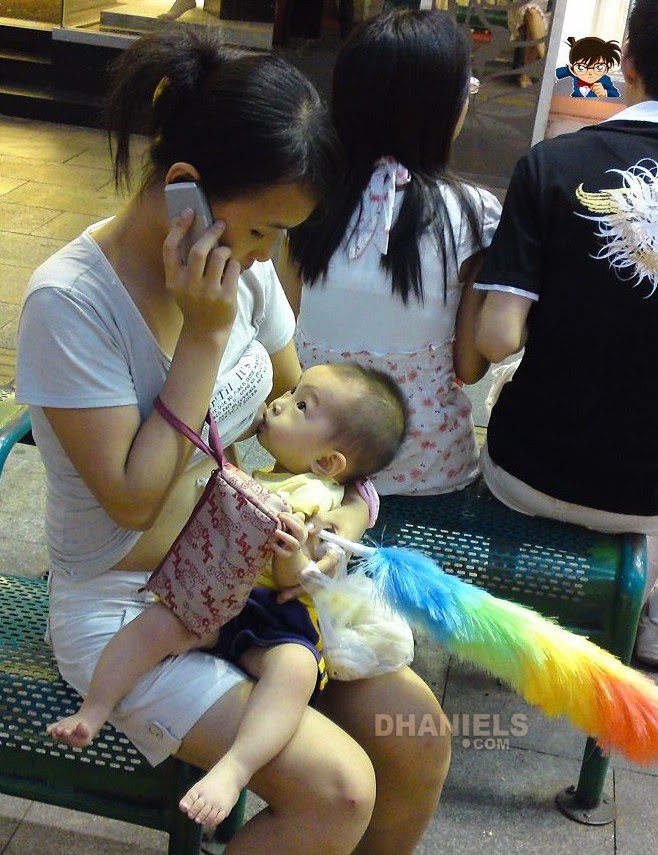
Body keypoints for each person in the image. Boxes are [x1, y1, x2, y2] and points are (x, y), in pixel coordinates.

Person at [15, 25, 451, 854]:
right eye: (260, 233)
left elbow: (302, 409)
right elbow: (133, 500)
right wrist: (205, 337)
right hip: (131, 606)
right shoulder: (71, 304)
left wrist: (336, 516)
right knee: (337, 790)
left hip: (247, 578)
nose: (263, 261)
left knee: (418, 735)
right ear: (185, 188)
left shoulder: (239, 275)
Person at [45, 362, 409, 827]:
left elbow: (298, 577)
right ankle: (96, 707)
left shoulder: (313, 496)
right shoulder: (277, 473)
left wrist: (293, 551)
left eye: (300, 404)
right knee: (159, 624)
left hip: (274, 615)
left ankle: (236, 766)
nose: (279, 400)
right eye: (292, 393)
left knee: (295, 670)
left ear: (327, 463)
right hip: (222, 596)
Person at [474, 0, 658, 667]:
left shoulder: (551, 165)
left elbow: (496, 338)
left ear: (626, 61)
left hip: (530, 468)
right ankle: (647, 625)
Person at [278, 8, 501, 497]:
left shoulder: (308, 198)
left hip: (316, 468)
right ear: (443, 110)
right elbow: (469, 367)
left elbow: (281, 326)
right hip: (431, 470)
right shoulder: (474, 213)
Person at [555, 35, 621, 98]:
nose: (590, 73)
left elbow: (616, 95)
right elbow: (555, 73)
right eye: (581, 67)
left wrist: (605, 93)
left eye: (599, 67)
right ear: (572, 69)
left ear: (607, 68)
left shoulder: (605, 80)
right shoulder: (573, 72)